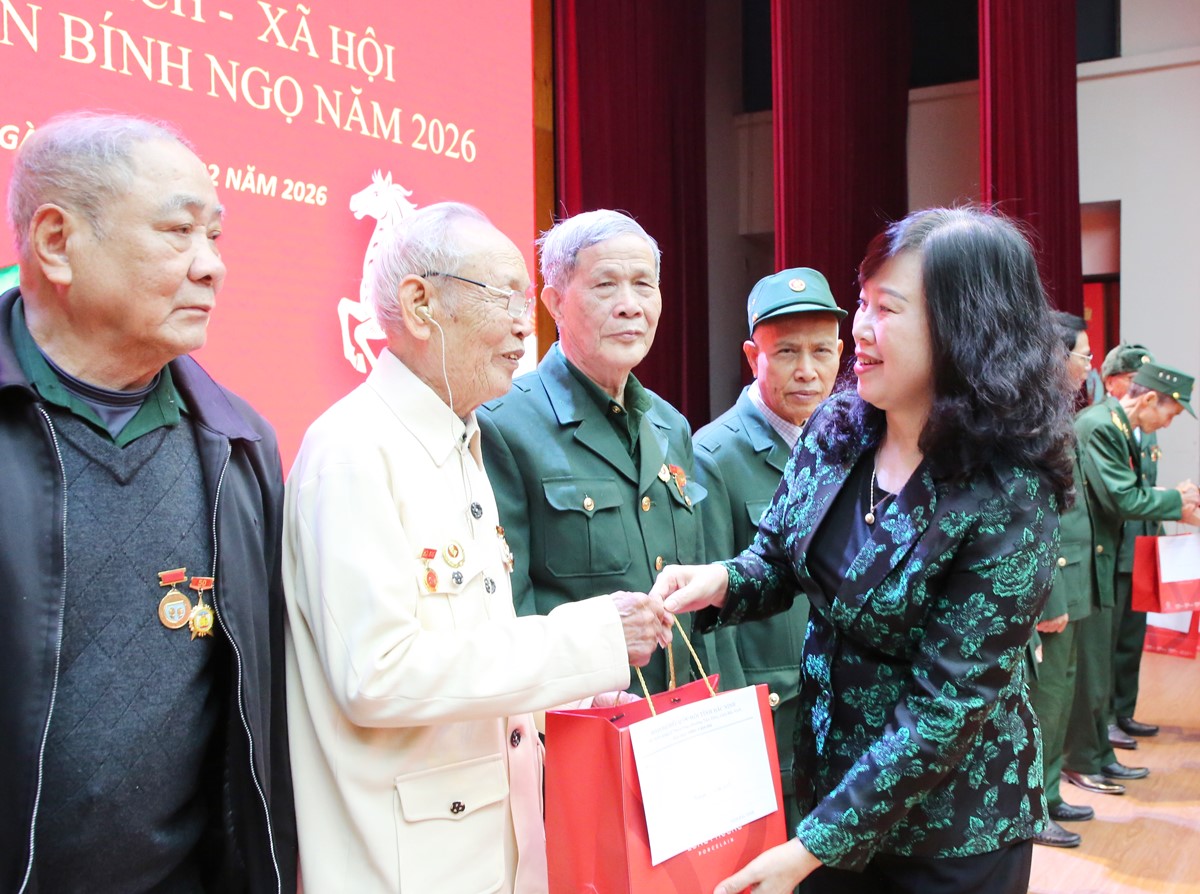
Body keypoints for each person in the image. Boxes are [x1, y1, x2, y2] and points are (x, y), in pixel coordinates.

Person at [651, 207, 1077, 894]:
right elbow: (778, 559)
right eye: (863, 301)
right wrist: (721, 581)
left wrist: (810, 848)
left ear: (964, 328)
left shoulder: (1008, 489)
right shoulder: (840, 429)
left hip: (950, 828)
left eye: (888, 309)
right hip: (829, 788)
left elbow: (948, 704)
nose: (860, 329)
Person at [282, 202, 668, 893]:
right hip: (404, 864)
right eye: (505, 298)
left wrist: (583, 682)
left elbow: (475, 647)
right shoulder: (354, 450)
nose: (526, 325)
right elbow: (378, 675)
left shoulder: (459, 438)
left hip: (491, 846)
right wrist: (587, 640)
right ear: (420, 306)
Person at [0, 112, 296, 892]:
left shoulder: (238, 446)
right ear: (56, 242)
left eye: (216, 236)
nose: (212, 267)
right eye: (178, 232)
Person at [479, 209, 705, 695]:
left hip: (673, 719)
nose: (629, 306)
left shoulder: (670, 425)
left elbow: (694, 607)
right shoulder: (503, 424)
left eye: (643, 285)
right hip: (581, 721)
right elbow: (507, 611)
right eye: (605, 285)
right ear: (555, 303)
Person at [693, 266, 844, 832]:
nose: (807, 371)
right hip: (770, 714)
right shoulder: (713, 456)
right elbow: (711, 613)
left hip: (840, 710)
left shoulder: (850, 445)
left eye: (821, 351)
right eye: (786, 352)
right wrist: (734, 724)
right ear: (752, 355)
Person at [1062, 359, 1199, 795]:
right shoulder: (1101, 425)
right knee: (1090, 671)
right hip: (1088, 560)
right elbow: (1122, 497)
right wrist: (1176, 502)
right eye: (1169, 414)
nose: (1168, 424)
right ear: (1149, 399)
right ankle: (1082, 760)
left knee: (1101, 667)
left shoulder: (1116, 425)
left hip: (1104, 556)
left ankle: (1100, 755)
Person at [1030, 312, 1101, 849]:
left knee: (1061, 694)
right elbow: (1037, 515)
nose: (1088, 364)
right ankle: (1033, 805)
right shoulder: (1033, 417)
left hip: (1072, 577)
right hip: (1053, 582)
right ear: (1056, 355)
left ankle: (1050, 792)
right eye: (1083, 355)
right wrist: (1048, 594)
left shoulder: (1056, 411)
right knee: (1045, 700)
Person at [1100, 343, 1161, 744]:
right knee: (1107, 641)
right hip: (1115, 547)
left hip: (1142, 546)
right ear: (1112, 382)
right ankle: (1104, 719)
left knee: (1132, 638)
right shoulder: (1105, 427)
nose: (1143, 388)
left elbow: (1147, 489)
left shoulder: (1145, 431)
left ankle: (1124, 710)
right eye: (1135, 379)